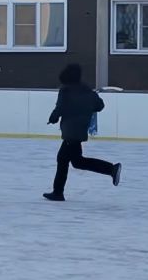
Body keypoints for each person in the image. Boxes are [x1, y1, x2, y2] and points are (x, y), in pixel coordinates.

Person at [44, 62, 120, 201]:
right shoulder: (86, 91)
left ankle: (58, 193)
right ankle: (110, 169)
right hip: (80, 129)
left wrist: (53, 118)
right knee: (76, 161)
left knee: (64, 159)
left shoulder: (65, 90)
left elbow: (59, 108)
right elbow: (100, 105)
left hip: (70, 131)